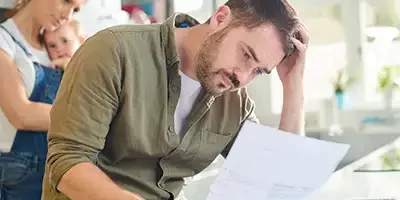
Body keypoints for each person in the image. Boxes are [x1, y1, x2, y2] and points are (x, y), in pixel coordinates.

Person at [43, 0, 309, 199]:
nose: (243, 76)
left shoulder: (234, 100)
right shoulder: (114, 51)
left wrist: (293, 85)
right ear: (220, 18)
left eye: (258, 71)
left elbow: (277, 179)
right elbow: (68, 163)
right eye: (246, 55)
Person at [0, 0, 84, 199]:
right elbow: (21, 114)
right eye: (66, 2)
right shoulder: (4, 41)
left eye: (75, 9)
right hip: (15, 175)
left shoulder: (58, 45)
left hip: (56, 171)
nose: (68, 15)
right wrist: (89, 117)